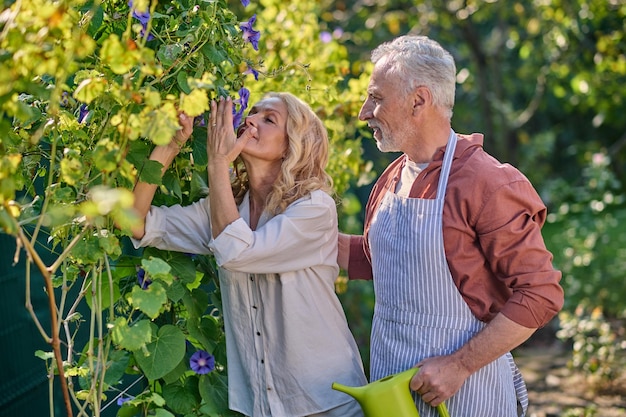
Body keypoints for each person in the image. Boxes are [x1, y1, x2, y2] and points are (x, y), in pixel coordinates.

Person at [337, 35, 564, 417]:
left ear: (419, 100)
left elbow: (540, 294)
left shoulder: (485, 182)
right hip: (391, 392)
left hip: (467, 396)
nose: (364, 112)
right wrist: (286, 231)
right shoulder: (394, 175)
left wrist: (459, 365)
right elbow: (381, 260)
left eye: (376, 97)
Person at [131, 92, 367, 417]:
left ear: (292, 145)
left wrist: (217, 162)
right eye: (252, 113)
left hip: (327, 401)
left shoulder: (314, 209)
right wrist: (170, 145)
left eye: (269, 119)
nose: (250, 121)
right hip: (262, 406)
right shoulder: (225, 210)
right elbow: (136, 222)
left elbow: (236, 251)